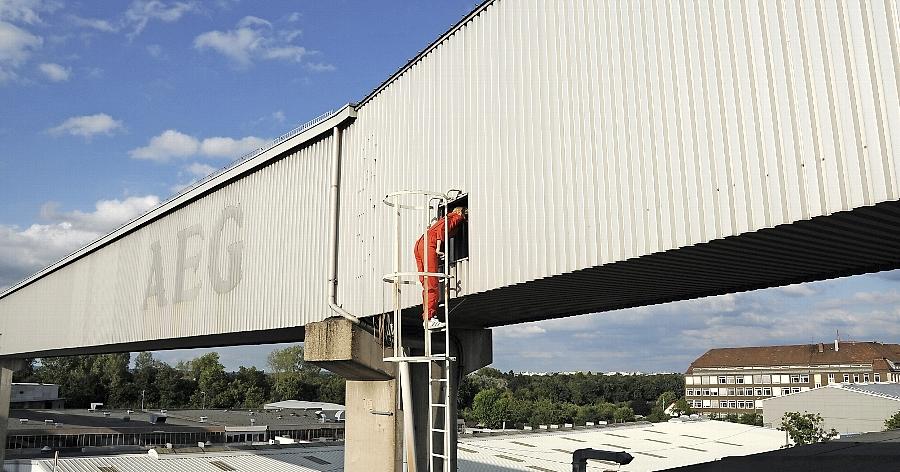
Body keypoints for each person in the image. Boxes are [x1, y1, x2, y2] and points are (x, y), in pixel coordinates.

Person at [414, 206, 467, 330]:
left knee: (426, 283)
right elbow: (442, 231)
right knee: (432, 283)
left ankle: (427, 317)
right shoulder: (457, 217)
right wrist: (438, 249)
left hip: (420, 244)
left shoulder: (444, 218)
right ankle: (430, 318)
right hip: (429, 244)